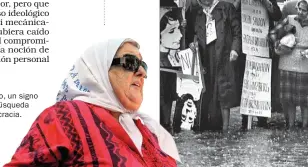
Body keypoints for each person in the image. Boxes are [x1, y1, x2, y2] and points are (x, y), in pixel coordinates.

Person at [5, 38, 180, 166]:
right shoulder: (64, 117)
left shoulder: (148, 132)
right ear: (99, 70)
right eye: (130, 62)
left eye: (143, 65)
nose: (142, 72)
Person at [238, 0, 283, 129]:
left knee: (264, 81)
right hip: (247, 45)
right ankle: (245, 118)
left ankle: (262, 118)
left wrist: (266, 2)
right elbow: (236, 11)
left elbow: (277, 16)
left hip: (264, 47)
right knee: (247, 81)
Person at [191, 0, 241, 132]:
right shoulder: (199, 14)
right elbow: (195, 34)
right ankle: (210, 123)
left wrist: (235, 49)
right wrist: (192, 44)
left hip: (224, 54)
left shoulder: (226, 8)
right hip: (206, 55)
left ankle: (225, 127)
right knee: (209, 88)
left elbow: (237, 31)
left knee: (223, 89)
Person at [275, 0, 308, 128]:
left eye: (304, 10)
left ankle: (304, 126)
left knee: (304, 101)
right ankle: (290, 125)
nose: (300, 12)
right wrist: (279, 44)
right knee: (289, 100)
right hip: (286, 63)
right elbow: (273, 33)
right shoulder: (289, 20)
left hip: (305, 65)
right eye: (299, 8)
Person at [160, 8, 184, 133]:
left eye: (178, 30)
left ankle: (167, 122)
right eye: (172, 31)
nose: (179, 35)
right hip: (162, 66)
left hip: (171, 66)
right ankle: (164, 122)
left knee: (169, 94)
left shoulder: (173, 58)